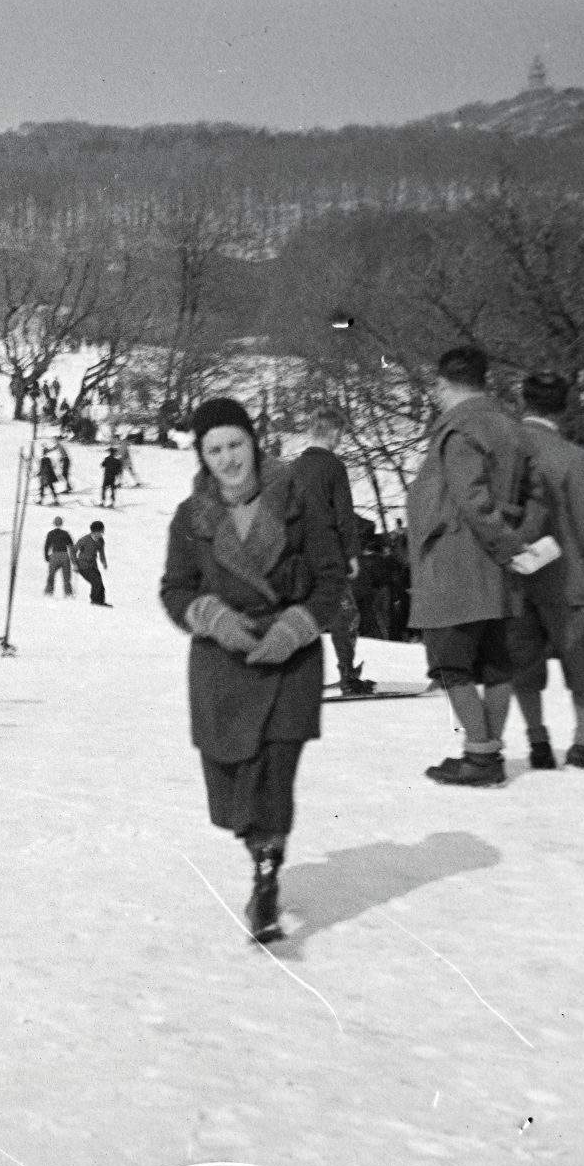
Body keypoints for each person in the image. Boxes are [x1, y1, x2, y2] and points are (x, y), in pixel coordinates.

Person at [159, 396, 346, 943]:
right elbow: (176, 590)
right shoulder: (191, 517)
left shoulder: (298, 499)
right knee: (235, 781)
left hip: (289, 657)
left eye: (235, 444)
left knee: (274, 769)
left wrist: (297, 625)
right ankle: (259, 846)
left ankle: (266, 877)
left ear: (253, 442)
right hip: (223, 662)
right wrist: (211, 616)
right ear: (201, 455)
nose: (228, 458)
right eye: (214, 449)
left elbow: (332, 579)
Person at [405, 346, 552, 787]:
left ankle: (481, 756)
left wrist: (505, 543)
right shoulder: (510, 425)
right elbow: (536, 491)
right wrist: (521, 539)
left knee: (452, 663)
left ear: (444, 385)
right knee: (496, 663)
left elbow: (472, 501)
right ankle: (485, 754)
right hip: (498, 568)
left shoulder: (460, 429)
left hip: (458, 560)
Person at [505, 373, 584, 771]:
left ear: (523, 402)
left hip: (515, 577)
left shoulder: (503, 449)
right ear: (563, 407)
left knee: (522, 662)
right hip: (568, 580)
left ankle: (537, 741)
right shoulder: (571, 457)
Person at [293, 409, 373, 695]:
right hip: (328, 555)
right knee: (346, 616)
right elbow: (343, 516)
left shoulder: (294, 468)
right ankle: (348, 676)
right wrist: (351, 554)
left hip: (300, 556)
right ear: (336, 434)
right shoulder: (334, 468)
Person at [75, 520, 110, 606]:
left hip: (93, 566)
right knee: (96, 582)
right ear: (95, 532)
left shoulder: (101, 541)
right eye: (101, 532)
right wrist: (75, 564)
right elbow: (73, 551)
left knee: (100, 584)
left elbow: (101, 553)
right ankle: (95, 602)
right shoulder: (84, 540)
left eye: (102, 531)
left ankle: (101, 602)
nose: (102, 533)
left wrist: (104, 562)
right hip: (83, 566)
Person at [43, 518, 74, 596]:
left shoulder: (50, 533)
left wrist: (46, 556)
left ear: (54, 523)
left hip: (54, 555)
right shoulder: (66, 533)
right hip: (64, 555)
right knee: (67, 576)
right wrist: (73, 558)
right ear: (61, 523)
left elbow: (47, 545)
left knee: (51, 574)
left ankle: (49, 591)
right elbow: (71, 545)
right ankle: (68, 593)